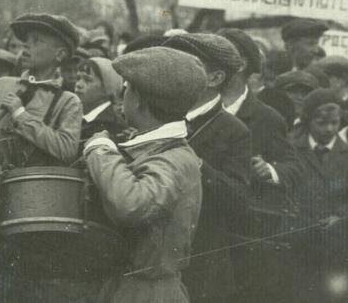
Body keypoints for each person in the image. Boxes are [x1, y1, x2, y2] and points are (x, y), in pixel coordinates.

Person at [83, 46, 206, 303]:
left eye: (126, 88)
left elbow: (132, 205)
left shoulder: (175, 158)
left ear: (138, 99)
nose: (122, 96)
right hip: (127, 286)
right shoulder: (160, 148)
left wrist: (101, 151)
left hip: (148, 292)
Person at [163, 33, 252, 303]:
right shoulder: (160, 113)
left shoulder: (234, 131)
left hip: (199, 263)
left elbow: (238, 198)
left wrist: (197, 164)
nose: (176, 70)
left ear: (215, 79)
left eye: (190, 64)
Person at [218, 28, 302, 303]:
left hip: (241, 236)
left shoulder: (267, 118)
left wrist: (271, 170)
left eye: (218, 55)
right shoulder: (193, 108)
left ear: (241, 64)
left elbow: (294, 166)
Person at [282, 88, 348, 303]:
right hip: (294, 239)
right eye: (322, 123)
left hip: (331, 245)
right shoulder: (291, 148)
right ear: (308, 120)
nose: (329, 129)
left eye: (334, 123)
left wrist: (341, 216)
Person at [0, 13, 82, 167]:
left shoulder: (68, 101)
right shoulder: (1, 85)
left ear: (60, 54)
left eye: (36, 41)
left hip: (32, 187)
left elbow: (67, 150)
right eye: (26, 40)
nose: (26, 45)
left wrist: (21, 115)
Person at [74, 57, 127, 144]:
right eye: (78, 78)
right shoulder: (76, 115)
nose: (78, 84)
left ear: (107, 88)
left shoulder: (111, 125)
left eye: (87, 80)